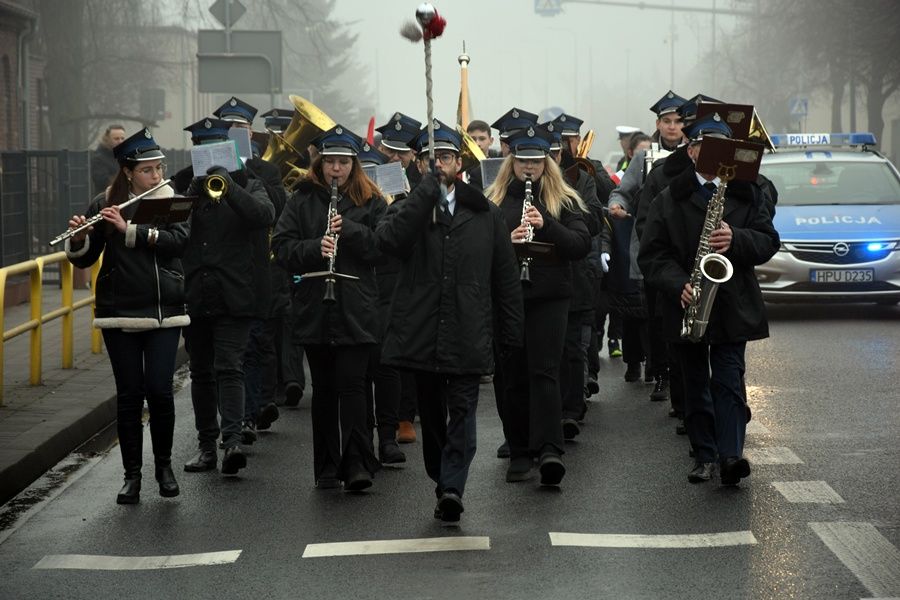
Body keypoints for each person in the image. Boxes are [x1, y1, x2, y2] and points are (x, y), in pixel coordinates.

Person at [376, 119, 523, 523]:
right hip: (422, 331)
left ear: (461, 162)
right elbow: (389, 242)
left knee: (463, 410)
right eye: (431, 158)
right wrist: (424, 195)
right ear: (421, 165)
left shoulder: (485, 214)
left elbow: (505, 277)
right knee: (433, 414)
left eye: (446, 157)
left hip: (468, 328)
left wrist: (510, 332)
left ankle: (453, 486)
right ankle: (441, 478)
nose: (439, 164)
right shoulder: (410, 208)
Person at [638, 113, 779, 485]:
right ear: (691, 151)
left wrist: (738, 239)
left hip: (733, 302)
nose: (712, 153)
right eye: (704, 146)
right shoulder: (669, 198)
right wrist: (677, 283)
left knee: (729, 379)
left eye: (721, 147)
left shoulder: (748, 192)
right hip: (687, 300)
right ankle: (704, 454)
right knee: (694, 381)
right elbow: (652, 255)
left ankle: (731, 454)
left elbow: (768, 241)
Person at [66, 128, 189, 504]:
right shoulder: (105, 202)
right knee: (129, 395)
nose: (157, 175)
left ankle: (164, 467)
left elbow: (178, 242)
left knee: (159, 390)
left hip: (162, 310)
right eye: (149, 170)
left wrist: (131, 229)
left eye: (159, 168)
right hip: (119, 310)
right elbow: (87, 257)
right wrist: (77, 240)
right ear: (129, 172)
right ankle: (131, 476)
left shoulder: (171, 200)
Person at [272, 124, 386, 491]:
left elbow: (383, 248)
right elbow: (282, 249)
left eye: (343, 163)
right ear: (319, 165)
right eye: (330, 162)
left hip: (356, 306)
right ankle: (326, 466)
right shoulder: (301, 200)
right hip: (315, 306)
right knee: (323, 390)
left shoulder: (372, 201)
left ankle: (357, 464)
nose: (336, 169)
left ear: (354, 165)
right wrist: (313, 248)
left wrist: (349, 230)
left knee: (353, 387)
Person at [486, 124, 591, 486]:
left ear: (547, 163)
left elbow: (580, 245)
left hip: (550, 296)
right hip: (508, 297)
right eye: (522, 161)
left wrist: (545, 224)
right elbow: (474, 252)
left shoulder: (563, 200)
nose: (529, 169)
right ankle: (519, 450)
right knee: (511, 374)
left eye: (536, 161)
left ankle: (549, 449)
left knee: (545, 371)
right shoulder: (494, 203)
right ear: (511, 162)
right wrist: (506, 241)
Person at [177, 117, 275, 477]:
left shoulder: (250, 181)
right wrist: (191, 191)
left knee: (229, 367)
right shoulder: (182, 183)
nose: (210, 157)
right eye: (204, 150)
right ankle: (206, 446)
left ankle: (232, 441)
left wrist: (230, 185)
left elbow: (264, 215)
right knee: (201, 373)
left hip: (236, 294)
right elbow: (172, 228)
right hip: (196, 293)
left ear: (230, 150)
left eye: (217, 149)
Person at [212, 96, 288, 442]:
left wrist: (243, 168)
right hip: (219, 274)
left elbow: (273, 206)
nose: (235, 134)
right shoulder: (204, 171)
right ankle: (237, 414)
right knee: (227, 355)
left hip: (257, 269)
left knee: (256, 343)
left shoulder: (267, 170)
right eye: (229, 129)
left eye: (240, 129)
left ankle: (251, 411)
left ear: (251, 133)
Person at [376, 112, 423, 192]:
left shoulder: (423, 181)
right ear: (381, 149)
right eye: (390, 151)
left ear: (413, 152)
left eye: (402, 152)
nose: (395, 157)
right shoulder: (368, 177)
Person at [91, 124, 126, 197]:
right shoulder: (98, 158)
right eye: (116, 139)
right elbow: (103, 182)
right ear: (107, 139)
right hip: (107, 200)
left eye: (122, 138)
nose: (120, 141)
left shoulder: (124, 155)